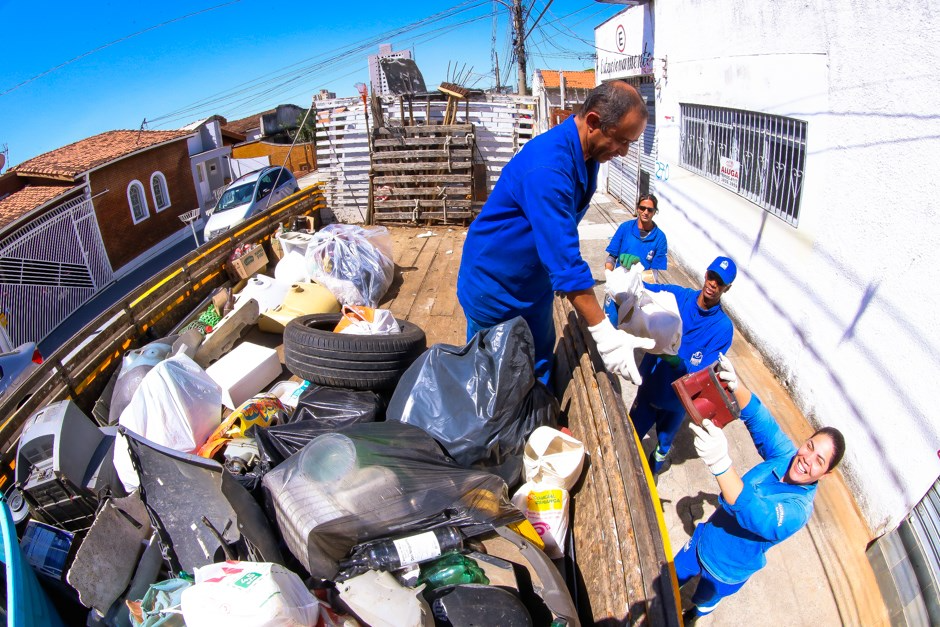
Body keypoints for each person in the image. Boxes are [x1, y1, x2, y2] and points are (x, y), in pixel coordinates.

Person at [457, 81, 656, 386]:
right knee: (494, 382)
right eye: (622, 141)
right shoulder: (548, 168)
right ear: (593, 122)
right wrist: (605, 334)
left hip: (532, 286)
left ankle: (539, 422)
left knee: (539, 363)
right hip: (495, 287)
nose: (624, 152)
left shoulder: (585, 154)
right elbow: (565, 261)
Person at [677, 353, 846, 622]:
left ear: (825, 474)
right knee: (668, 579)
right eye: (810, 446)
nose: (806, 460)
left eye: (819, 461)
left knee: (700, 605)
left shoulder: (798, 511)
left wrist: (720, 463)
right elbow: (760, 421)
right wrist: (736, 386)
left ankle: (695, 614)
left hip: (726, 571)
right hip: (705, 538)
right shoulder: (787, 455)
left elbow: (757, 515)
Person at [629, 256, 736, 473]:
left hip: (677, 402)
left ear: (727, 288)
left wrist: (678, 362)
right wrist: (629, 270)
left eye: (720, 282)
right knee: (630, 436)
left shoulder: (722, 329)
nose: (713, 284)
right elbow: (645, 290)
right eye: (711, 276)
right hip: (650, 387)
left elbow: (703, 372)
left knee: (663, 446)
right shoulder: (679, 297)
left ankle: (653, 471)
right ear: (706, 274)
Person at [604, 194, 667, 274]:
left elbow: (655, 271)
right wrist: (609, 274)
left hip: (643, 283)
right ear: (637, 209)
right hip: (621, 280)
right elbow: (612, 257)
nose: (646, 212)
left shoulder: (660, 238)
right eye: (642, 208)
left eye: (650, 210)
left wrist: (637, 271)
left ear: (655, 212)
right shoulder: (625, 228)